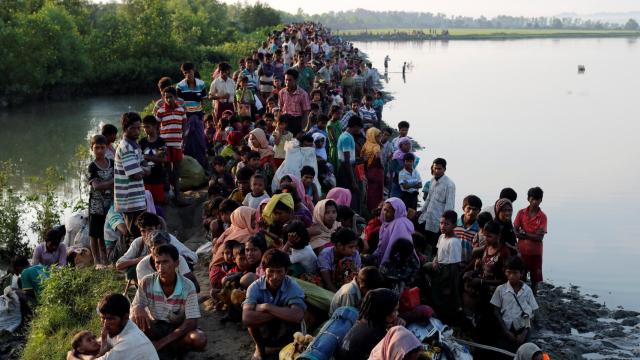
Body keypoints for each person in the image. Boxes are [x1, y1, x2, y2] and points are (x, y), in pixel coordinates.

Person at [131, 244, 207, 356]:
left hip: (179, 330)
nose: (161, 267)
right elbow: (136, 306)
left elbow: (191, 322)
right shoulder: (147, 282)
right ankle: (166, 350)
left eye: (165, 262)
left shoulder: (188, 285)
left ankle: (167, 349)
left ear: (176, 263)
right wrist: (137, 308)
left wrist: (162, 343)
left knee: (199, 339)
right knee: (135, 318)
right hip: (156, 326)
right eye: (158, 262)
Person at [243, 249, 306, 360]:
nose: (275, 276)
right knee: (252, 323)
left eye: (279, 271)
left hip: (286, 327)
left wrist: (266, 307)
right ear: (263, 270)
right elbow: (247, 318)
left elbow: (297, 316)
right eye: (271, 271)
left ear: (286, 271)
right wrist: (283, 310)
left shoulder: (293, 286)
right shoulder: (254, 287)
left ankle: (290, 348)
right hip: (266, 326)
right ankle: (260, 348)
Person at [68, 293, 158, 360]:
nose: (105, 324)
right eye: (103, 318)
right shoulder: (118, 327)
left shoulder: (129, 341)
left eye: (111, 319)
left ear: (125, 318)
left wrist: (72, 356)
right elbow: (101, 343)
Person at [336, 289, 402, 360]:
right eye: (395, 310)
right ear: (384, 311)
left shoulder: (363, 322)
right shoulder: (378, 335)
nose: (397, 314)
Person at [491, 256, 539, 352]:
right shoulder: (500, 290)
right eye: (509, 272)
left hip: (523, 330)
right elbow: (496, 312)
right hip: (505, 330)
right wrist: (506, 332)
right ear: (505, 272)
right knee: (504, 354)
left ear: (521, 273)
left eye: (515, 273)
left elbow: (531, 314)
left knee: (522, 354)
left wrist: (524, 333)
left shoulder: (527, 291)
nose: (512, 276)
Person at [114, 112, 148, 238]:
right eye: (133, 128)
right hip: (129, 199)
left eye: (139, 128)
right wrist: (144, 169)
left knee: (141, 229)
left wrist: (142, 169)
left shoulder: (135, 146)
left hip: (137, 196)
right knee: (134, 231)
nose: (137, 131)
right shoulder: (126, 147)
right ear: (125, 128)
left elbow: (143, 166)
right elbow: (136, 175)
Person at [424, 210, 463, 317]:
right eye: (441, 223)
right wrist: (435, 260)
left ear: (454, 225)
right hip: (439, 267)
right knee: (435, 292)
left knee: (443, 296)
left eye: (446, 224)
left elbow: (454, 267)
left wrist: (450, 286)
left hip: (447, 271)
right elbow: (438, 251)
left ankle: (444, 317)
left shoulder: (454, 242)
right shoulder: (441, 237)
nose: (443, 226)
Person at [135, 230, 200, 293]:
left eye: (164, 248)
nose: (160, 252)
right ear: (150, 249)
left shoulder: (178, 259)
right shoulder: (142, 266)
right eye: (155, 248)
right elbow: (144, 294)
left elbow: (195, 287)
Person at [156, 86, 188, 206]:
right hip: (166, 145)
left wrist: (183, 137)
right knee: (168, 170)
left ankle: (177, 194)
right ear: (163, 98)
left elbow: (184, 124)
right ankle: (171, 193)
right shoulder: (161, 111)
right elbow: (156, 126)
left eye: (170, 97)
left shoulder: (181, 110)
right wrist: (158, 141)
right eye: (166, 97)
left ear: (175, 97)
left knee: (177, 170)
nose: (168, 99)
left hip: (177, 144)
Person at [87, 134, 114, 267]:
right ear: (92, 149)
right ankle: (97, 261)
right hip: (96, 205)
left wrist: (105, 184)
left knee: (105, 231)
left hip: (109, 204)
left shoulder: (112, 163)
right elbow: (96, 186)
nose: (99, 151)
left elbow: (103, 184)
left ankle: (105, 259)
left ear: (106, 149)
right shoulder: (92, 166)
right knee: (94, 233)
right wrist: (112, 182)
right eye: (96, 148)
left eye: (102, 147)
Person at [514, 187, 547, 295]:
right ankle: (520, 297)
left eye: (537, 199)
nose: (535, 202)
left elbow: (540, 238)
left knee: (535, 279)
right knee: (521, 276)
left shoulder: (542, 217)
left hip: (536, 253)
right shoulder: (521, 213)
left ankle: (533, 298)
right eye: (532, 199)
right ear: (528, 199)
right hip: (522, 251)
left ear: (541, 200)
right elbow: (515, 231)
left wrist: (525, 234)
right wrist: (528, 235)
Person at [176, 62, 208, 169]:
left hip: (198, 117)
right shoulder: (180, 86)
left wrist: (202, 114)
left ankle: (202, 166)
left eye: (189, 72)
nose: (188, 74)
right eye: (185, 73)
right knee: (187, 142)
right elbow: (179, 104)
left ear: (193, 71)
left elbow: (203, 100)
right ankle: (189, 166)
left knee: (200, 141)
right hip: (186, 118)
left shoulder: (201, 84)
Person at [418, 158, 455, 246]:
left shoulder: (449, 185)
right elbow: (428, 199)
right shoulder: (432, 181)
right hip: (427, 217)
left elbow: (449, 205)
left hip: (438, 221)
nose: (436, 171)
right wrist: (421, 211)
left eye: (439, 169)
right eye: (435, 168)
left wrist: (445, 223)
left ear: (444, 169)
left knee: (436, 244)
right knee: (423, 241)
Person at [374, 198, 415, 266]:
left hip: (397, 264)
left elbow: (391, 250)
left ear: (397, 212)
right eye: (384, 210)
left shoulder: (399, 225)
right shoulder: (387, 224)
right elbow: (381, 246)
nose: (385, 213)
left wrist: (383, 266)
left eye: (389, 211)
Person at [318, 227, 362, 292]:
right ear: (339, 245)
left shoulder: (355, 254)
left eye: (355, 247)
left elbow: (357, 277)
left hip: (347, 287)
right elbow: (328, 283)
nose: (353, 250)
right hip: (329, 288)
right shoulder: (325, 254)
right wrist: (339, 295)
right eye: (351, 247)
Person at [337, 115, 363, 212]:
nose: (360, 130)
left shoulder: (348, 136)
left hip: (348, 167)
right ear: (355, 126)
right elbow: (346, 160)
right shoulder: (346, 138)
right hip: (346, 170)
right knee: (350, 196)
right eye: (359, 128)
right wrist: (353, 181)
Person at [139, 116, 167, 205]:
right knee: (147, 204)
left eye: (147, 127)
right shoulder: (141, 142)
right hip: (145, 179)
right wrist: (155, 157)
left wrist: (147, 157)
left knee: (158, 204)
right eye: (144, 127)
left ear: (155, 126)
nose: (145, 129)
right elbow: (139, 159)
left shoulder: (161, 142)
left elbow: (164, 159)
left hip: (158, 178)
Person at [278, 68, 311, 136]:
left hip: (296, 123)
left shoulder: (303, 94)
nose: (287, 82)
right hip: (284, 122)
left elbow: (306, 114)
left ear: (296, 80)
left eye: (290, 80)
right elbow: (280, 109)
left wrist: (302, 130)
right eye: (286, 80)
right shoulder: (282, 92)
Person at [361, 127, 384, 213]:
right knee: (378, 193)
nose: (379, 138)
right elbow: (378, 156)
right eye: (378, 137)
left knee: (370, 191)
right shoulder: (376, 146)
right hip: (377, 172)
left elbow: (362, 156)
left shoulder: (366, 144)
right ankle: (377, 211)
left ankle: (369, 210)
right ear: (373, 136)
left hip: (368, 171)